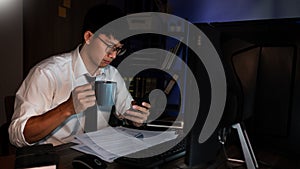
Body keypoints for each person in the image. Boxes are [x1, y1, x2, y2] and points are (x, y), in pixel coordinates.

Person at [9, 4, 150, 147]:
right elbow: (17, 135)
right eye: (109, 46)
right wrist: (67, 109)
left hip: (99, 154)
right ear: (88, 37)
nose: (113, 55)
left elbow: (126, 110)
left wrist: (136, 116)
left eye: (118, 49)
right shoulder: (47, 73)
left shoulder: (112, 74)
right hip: (57, 157)